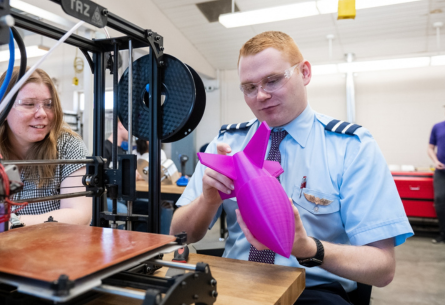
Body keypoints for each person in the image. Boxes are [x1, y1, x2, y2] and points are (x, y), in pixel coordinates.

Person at [170, 31, 413, 304]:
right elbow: (178, 235)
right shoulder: (227, 144)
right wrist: (208, 200)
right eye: (249, 87)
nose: (261, 95)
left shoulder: (351, 148)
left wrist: (308, 248)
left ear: (305, 73)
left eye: (272, 81)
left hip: (311, 290)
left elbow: (382, 268)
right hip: (232, 285)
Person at [0, 67, 91, 227]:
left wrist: (8, 223)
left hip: (51, 247)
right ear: (2, 109)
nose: (42, 113)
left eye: (49, 104)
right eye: (29, 104)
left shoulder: (68, 145)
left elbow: (78, 215)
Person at [428, 115, 445, 244]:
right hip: (441, 171)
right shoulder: (437, 127)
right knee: (440, 200)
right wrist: (435, 161)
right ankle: (443, 233)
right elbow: (430, 148)